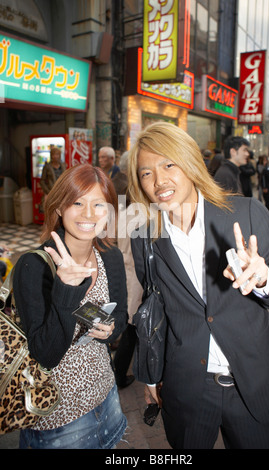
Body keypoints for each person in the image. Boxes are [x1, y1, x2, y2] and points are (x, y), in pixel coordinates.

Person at [127, 122, 269, 449]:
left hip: (251, 384)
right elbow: (154, 305)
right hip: (188, 387)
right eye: (146, 173)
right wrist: (150, 371)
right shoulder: (144, 235)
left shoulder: (246, 214)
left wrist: (262, 279)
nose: (159, 181)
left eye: (168, 165)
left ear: (190, 162)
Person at [13, 164, 127, 449]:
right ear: (60, 208)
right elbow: (46, 355)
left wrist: (110, 331)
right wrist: (66, 290)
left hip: (107, 398)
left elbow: (122, 315)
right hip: (58, 420)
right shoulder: (34, 266)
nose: (89, 214)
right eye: (77, 202)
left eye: (99, 204)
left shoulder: (109, 256)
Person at [113, 151, 143, 388]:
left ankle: (118, 372)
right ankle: (120, 374)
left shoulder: (125, 214)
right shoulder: (149, 216)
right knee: (132, 331)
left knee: (127, 327)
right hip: (138, 279)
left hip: (123, 275)